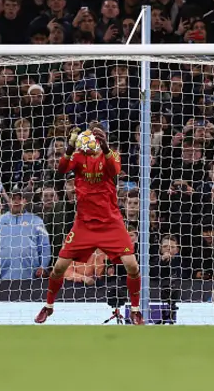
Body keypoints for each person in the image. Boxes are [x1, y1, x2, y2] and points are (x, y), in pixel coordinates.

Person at [35, 126, 144, 325]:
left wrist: (105, 145)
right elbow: (60, 168)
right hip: (84, 224)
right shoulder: (77, 158)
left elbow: (115, 169)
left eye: (92, 141)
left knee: (132, 266)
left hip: (111, 223)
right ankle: (48, 306)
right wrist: (69, 146)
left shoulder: (111, 156)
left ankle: (135, 310)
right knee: (58, 268)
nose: (87, 145)